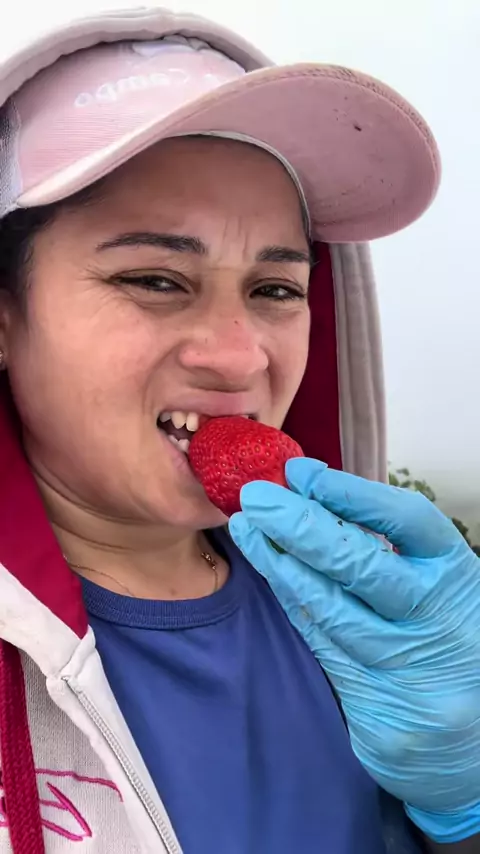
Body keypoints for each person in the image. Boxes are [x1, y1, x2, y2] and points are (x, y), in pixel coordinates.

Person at [0, 6, 477, 854]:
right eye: (155, 279)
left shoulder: (380, 621)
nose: (237, 356)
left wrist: (468, 804)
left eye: (275, 290)